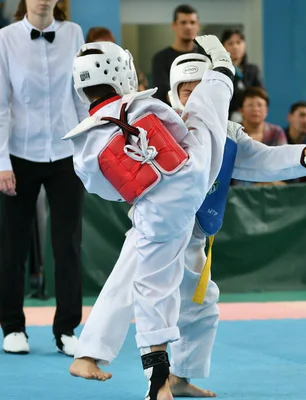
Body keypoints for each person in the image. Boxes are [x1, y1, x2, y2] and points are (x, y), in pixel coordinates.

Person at [66, 51, 306, 398]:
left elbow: (262, 161)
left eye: (200, 88)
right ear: (173, 93)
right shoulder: (155, 125)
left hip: (196, 235)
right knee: (127, 289)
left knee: (202, 306)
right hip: (158, 229)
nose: (194, 97)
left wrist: (305, 156)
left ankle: (181, 376)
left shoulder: (225, 134)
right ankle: (91, 355)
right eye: (186, 90)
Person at [63, 36, 235, 400]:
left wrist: (142, 181)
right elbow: (182, 133)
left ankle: (90, 353)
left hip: (153, 209)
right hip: (187, 186)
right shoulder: (147, 106)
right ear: (122, 72)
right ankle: (159, 384)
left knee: (138, 280)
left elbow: (104, 189)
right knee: (208, 117)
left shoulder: (83, 141)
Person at [0, 0, 87, 356]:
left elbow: (81, 98)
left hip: (66, 154)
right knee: (13, 247)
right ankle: (13, 327)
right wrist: (0, 161)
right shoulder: (5, 39)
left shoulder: (74, 34)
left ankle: (67, 330)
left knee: (68, 246)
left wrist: (88, 151)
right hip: (19, 155)